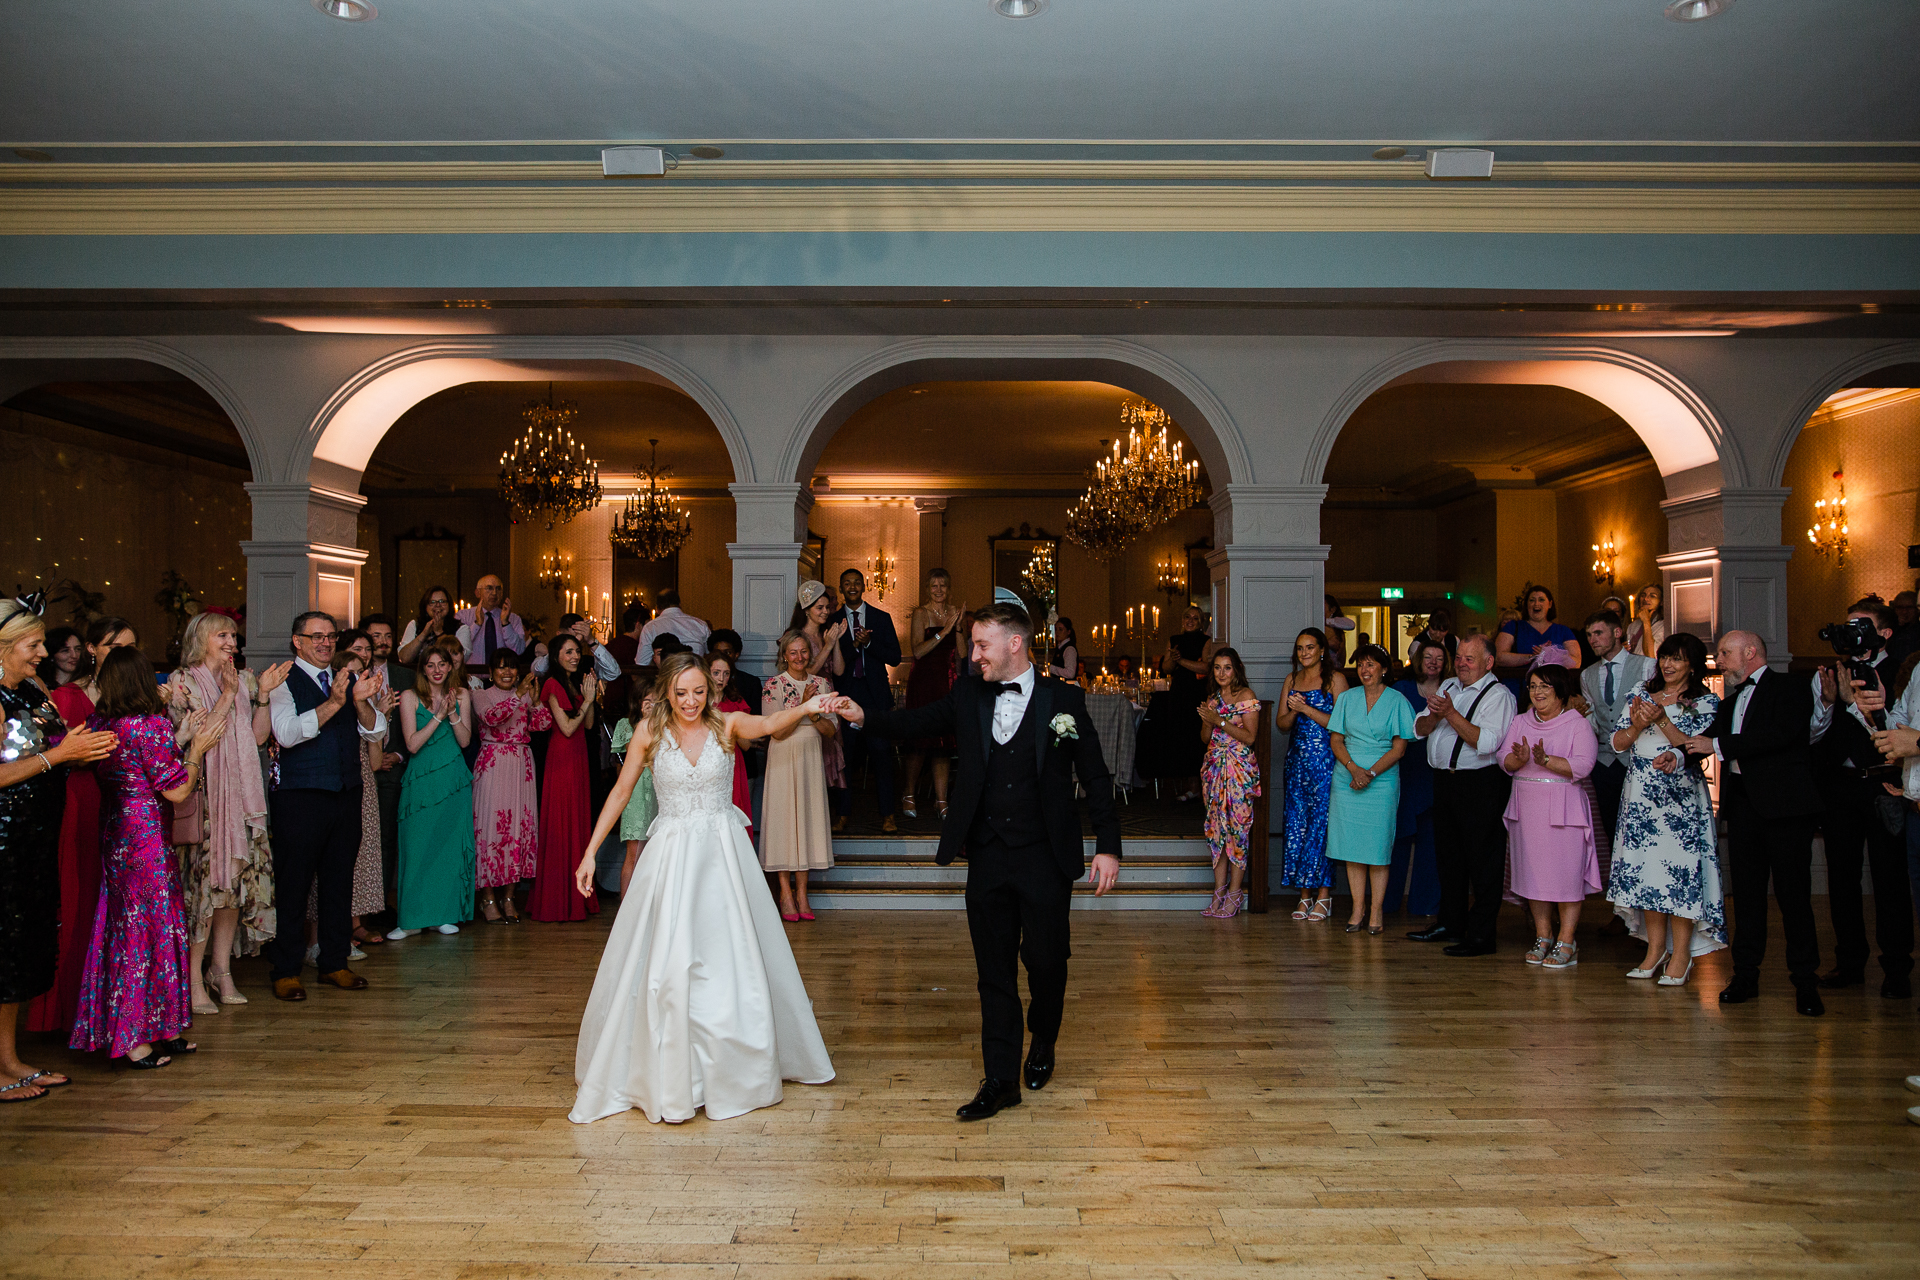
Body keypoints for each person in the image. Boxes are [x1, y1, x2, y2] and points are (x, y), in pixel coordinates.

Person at [837, 602, 1122, 1121]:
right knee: (993, 974)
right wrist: (863, 717)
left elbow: (1096, 775)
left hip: (1045, 858)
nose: (973, 655)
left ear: (1015, 643)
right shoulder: (968, 694)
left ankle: (1044, 1039)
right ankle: (1000, 1081)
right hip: (987, 855)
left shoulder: (1065, 699)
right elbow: (914, 722)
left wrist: (1107, 844)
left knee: (1047, 963)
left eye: (981, 645)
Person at [569, 651, 836, 1125]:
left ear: (709, 692)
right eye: (682, 693)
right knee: (667, 963)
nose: (691, 701)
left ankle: (735, 1067)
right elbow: (621, 791)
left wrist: (808, 708)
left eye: (699, 692)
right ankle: (670, 1070)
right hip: (671, 857)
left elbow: (770, 724)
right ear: (667, 692)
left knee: (729, 958)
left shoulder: (726, 726)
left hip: (723, 857)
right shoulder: (650, 732)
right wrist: (590, 851)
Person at [71, 647, 224, 1069]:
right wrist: (197, 749)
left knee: (133, 924)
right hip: (146, 837)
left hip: (115, 829)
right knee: (148, 928)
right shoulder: (148, 725)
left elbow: (135, 768)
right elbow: (176, 789)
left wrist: (181, 742)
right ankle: (136, 1040)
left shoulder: (101, 724)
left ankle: (163, 1027)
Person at [0, 599, 118, 1102]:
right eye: (33, 645)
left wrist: (75, 747)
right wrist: (59, 755)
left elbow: (52, 746)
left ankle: (8, 1060)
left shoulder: (31, 688)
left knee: (22, 954)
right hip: (3, 843)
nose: (43, 653)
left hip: (35, 838)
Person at [1679, 630, 1827, 1016]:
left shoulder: (1791, 688)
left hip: (1784, 808)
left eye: (1725, 654)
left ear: (1750, 652)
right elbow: (1707, 738)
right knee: (1745, 897)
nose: (1719, 661)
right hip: (1743, 806)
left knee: (1794, 897)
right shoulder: (1732, 699)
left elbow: (1780, 736)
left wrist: (1716, 746)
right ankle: (1745, 975)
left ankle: (1806, 983)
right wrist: (1678, 757)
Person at [165, 611, 287, 1015]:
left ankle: (222, 970)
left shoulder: (245, 679)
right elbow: (198, 738)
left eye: (234, 636)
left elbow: (256, 738)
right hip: (202, 795)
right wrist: (226, 696)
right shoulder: (181, 682)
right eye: (223, 636)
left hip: (240, 797)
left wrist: (263, 694)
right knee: (202, 889)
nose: (232, 643)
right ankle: (194, 977)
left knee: (233, 887)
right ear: (201, 638)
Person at [22, 616, 138, 1037]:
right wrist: (79, 754)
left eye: (130, 647)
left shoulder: (133, 696)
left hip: (122, 806)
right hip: (81, 798)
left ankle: (106, 1008)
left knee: (111, 906)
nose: (123, 655)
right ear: (93, 649)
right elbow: (54, 752)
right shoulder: (69, 696)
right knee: (79, 897)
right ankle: (66, 1010)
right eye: (114, 646)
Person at [266, 610, 387, 1002]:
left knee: (339, 883)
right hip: (300, 798)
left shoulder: (349, 679)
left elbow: (375, 730)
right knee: (294, 885)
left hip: (346, 794)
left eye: (330, 637)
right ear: (297, 641)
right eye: (315, 636)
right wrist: (335, 703)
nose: (324, 643)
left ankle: (334, 962)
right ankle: (285, 970)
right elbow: (285, 734)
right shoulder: (283, 680)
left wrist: (362, 703)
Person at [1810, 598, 1914, 999]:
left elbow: (1899, 733)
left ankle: (1896, 967)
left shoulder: (1901, 673)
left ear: (1883, 633)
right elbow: (1817, 736)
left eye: (1861, 625)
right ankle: (1849, 961)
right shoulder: (1835, 672)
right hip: (1840, 787)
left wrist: (1858, 706)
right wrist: (1826, 701)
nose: (1851, 631)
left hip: (1883, 785)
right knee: (1842, 879)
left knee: (1889, 879)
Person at [1608, 632, 1725, 983]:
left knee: (1680, 874)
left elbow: (1693, 748)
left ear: (1692, 663)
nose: (1668, 664)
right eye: (1664, 657)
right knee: (1648, 873)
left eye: (1676, 658)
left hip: (1680, 799)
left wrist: (1660, 720)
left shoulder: (1704, 702)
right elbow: (1617, 742)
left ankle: (1682, 955)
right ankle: (1654, 950)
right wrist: (1638, 724)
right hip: (1641, 794)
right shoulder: (1640, 693)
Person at [1410, 633, 1518, 957]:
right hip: (1444, 783)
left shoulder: (1498, 695)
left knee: (1483, 863)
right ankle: (1450, 923)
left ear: (1488, 662)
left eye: (1469, 659)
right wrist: (1435, 714)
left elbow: (1487, 742)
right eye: (1458, 658)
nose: (1461, 664)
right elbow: (1419, 728)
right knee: (1450, 859)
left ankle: (1482, 936)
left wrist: (1451, 714)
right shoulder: (1449, 687)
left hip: (1480, 785)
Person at [1497, 664, 1600, 971]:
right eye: (1532, 686)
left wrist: (1546, 760)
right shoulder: (1520, 721)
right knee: (1535, 877)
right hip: (1527, 808)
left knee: (1565, 877)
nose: (1537, 692)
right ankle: (1544, 937)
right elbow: (1504, 759)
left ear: (1560, 692)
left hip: (1563, 808)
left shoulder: (1576, 723)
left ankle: (1567, 941)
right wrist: (1520, 758)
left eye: (1544, 687)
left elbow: (1583, 765)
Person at [387, 639, 475, 939]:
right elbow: (412, 744)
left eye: (442, 664)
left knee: (447, 849)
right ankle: (410, 919)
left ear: (450, 667)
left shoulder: (461, 694)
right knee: (416, 847)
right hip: (422, 781)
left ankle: (443, 915)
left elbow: (465, 741)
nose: (437, 670)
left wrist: (452, 713)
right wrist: (438, 715)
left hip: (453, 780)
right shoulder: (410, 696)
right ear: (423, 669)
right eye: (430, 665)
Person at [1327, 644, 1416, 935]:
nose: (1365, 670)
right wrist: (1354, 769)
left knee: (1377, 849)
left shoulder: (1398, 700)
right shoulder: (1347, 698)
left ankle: (1376, 910)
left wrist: (1371, 773)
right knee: (1352, 848)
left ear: (1384, 669)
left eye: (1371, 665)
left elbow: (1400, 748)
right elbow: (1336, 740)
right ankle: (1357, 908)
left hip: (1383, 778)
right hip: (1347, 776)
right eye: (1361, 665)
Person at [318, 632, 393, 956]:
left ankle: (349, 926)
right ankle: (322, 939)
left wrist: (379, 712)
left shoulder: (367, 706)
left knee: (358, 857)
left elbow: (375, 760)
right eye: (348, 674)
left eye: (360, 673)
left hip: (361, 781)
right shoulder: (326, 704)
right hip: (327, 783)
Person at [760, 630, 839, 920]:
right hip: (783, 756)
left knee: (806, 819)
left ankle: (803, 893)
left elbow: (831, 731)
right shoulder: (773, 685)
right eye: (793, 652)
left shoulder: (822, 683)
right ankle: (784, 892)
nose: (799, 657)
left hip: (810, 756)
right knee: (783, 821)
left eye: (804, 651)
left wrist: (814, 714)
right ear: (784, 655)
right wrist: (801, 707)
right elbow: (776, 732)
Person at [471, 649, 548, 923]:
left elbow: (542, 725)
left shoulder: (526, 695)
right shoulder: (480, 694)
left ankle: (509, 896)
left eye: (512, 668)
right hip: (493, 762)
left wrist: (536, 701)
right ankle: (488, 898)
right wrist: (519, 697)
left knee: (519, 828)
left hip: (521, 764)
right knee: (490, 830)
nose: (507, 673)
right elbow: (491, 718)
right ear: (491, 673)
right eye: (501, 668)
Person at [1275, 628, 1346, 922]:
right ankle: (1304, 896)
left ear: (1321, 650)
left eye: (1309, 647)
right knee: (1296, 828)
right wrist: (1294, 712)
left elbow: (1342, 723)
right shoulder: (1291, 680)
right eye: (1300, 648)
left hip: (1326, 762)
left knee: (1322, 828)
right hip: (1297, 764)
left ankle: (1325, 895)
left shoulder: (1335, 679)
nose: (1304, 653)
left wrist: (1306, 708)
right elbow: (1281, 724)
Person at [530, 633, 599, 922]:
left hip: (579, 758)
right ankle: (559, 900)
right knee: (561, 826)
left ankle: (579, 895)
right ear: (556, 655)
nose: (574, 656)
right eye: (568, 651)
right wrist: (587, 701)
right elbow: (568, 728)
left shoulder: (575, 683)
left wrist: (590, 697)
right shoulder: (552, 684)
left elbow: (590, 724)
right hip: (562, 759)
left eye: (577, 652)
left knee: (578, 824)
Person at [830, 568, 902, 835]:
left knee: (882, 755)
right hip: (846, 695)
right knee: (845, 758)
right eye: (846, 583)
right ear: (841, 588)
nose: (852, 587)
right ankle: (843, 814)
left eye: (856, 583)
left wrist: (870, 643)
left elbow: (895, 657)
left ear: (864, 587)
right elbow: (832, 660)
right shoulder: (834, 620)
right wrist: (854, 646)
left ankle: (888, 815)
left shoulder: (881, 618)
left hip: (875, 698)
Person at [1580, 610, 1654, 853]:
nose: (1593, 640)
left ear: (1617, 633)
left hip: (1639, 758)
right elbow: (1593, 720)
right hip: (1605, 762)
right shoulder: (1587, 674)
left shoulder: (1646, 666)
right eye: (1589, 634)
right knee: (1612, 826)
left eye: (1598, 633)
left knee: (1644, 823)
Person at [1198, 648, 1262, 920]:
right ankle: (1218, 892)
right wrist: (1208, 719)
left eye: (1227, 667)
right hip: (1214, 770)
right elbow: (1204, 738)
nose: (1221, 673)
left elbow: (1249, 737)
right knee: (1216, 831)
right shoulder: (1213, 699)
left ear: (1236, 669)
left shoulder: (1246, 696)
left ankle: (1235, 894)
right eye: (1217, 668)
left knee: (1237, 830)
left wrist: (1219, 720)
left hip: (1238, 770)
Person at [1386, 637, 1443, 919]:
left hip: (1435, 771)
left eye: (1439, 658)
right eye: (1428, 657)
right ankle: (1387, 903)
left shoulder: (1452, 691)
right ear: (1418, 661)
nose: (1433, 662)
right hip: (1403, 768)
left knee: (1430, 843)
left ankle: (1425, 905)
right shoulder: (1401, 689)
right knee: (1396, 840)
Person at [358, 612, 411, 914]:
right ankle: (358, 910)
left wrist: (399, 753)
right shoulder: (352, 674)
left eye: (388, 636)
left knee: (387, 838)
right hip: (358, 768)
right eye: (376, 636)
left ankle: (380, 905)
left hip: (392, 768)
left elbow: (414, 719)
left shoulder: (404, 676)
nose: (382, 642)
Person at [901, 570, 964, 820]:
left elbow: (962, 653)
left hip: (947, 684)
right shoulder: (921, 613)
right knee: (919, 743)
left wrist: (958, 628)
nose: (938, 590)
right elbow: (917, 652)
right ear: (927, 589)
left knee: (943, 745)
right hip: (924, 683)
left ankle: (941, 801)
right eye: (934, 585)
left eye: (943, 586)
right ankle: (908, 793)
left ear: (949, 589)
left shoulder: (955, 612)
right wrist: (943, 632)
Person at [606, 671, 660, 896]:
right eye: (648, 700)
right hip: (635, 793)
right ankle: (626, 910)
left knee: (658, 853)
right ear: (638, 702)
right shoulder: (626, 725)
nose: (653, 705)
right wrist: (646, 724)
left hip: (661, 791)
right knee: (635, 851)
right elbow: (631, 757)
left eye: (658, 701)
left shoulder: (669, 727)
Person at [1157, 606, 1212, 802]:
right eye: (1187, 617)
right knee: (1180, 737)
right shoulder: (1174, 640)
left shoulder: (1206, 641)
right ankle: (1190, 786)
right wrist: (1173, 659)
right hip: (1178, 694)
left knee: (1197, 740)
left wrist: (1182, 661)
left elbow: (1206, 667)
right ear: (1182, 620)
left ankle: (1200, 786)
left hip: (1196, 694)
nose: (1190, 620)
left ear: (1201, 623)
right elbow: (1166, 668)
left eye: (1195, 618)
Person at [708, 651, 756, 838]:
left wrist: (730, 725)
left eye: (726, 673)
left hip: (732, 764)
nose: (721, 678)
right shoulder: (696, 703)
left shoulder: (736, 703)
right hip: (706, 764)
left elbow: (745, 745)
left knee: (734, 814)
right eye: (716, 673)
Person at [1495, 585, 1580, 688]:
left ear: (1550, 604)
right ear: (1526, 605)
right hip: (1517, 689)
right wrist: (1534, 657)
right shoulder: (1513, 626)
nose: (1536, 604)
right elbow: (1499, 657)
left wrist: (1549, 655)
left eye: (1541, 600)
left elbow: (1576, 662)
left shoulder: (1563, 630)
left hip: (1554, 690)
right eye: (1532, 600)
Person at [455, 574, 527, 678]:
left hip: (503, 680)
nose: (494, 593)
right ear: (477, 593)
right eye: (489, 588)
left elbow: (519, 649)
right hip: (471, 679)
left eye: (498, 589)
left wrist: (506, 624)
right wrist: (477, 624)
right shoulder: (463, 616)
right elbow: (458, 648)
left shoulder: (513, 618)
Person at [636, 587, 710, 658]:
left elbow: (643, 662)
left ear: (657, 608)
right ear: (680, 604)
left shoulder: (650, 627)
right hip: (696, 668)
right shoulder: (700, 624)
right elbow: (710, 655)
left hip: (664, 670)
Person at [397, 585, 458, 666]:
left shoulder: (460, 627)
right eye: (432, 602)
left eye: (442, 601)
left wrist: (439, 632)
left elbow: (457, 659)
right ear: (425, 606)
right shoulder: (414, 625)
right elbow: (404, 658)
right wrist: (423, 634)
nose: (438, 605)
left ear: (449, 605)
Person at [1624, 583, 1666, 661]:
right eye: (1643, 595)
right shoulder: (1632, 625)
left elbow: (1651, 655)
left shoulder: (1664, 626)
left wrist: (1646, 622)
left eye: (1652, 596)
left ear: (1661, 602)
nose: (1646, 599)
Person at [1049, 617, 1081, 682]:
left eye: (1060, 629)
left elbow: (1070, 673)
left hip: (1066, 687)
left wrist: (1051, 668)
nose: (1057, 632)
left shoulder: (1069, 649)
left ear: (1068, 632)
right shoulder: (1060, 648)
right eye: (1056, 629)